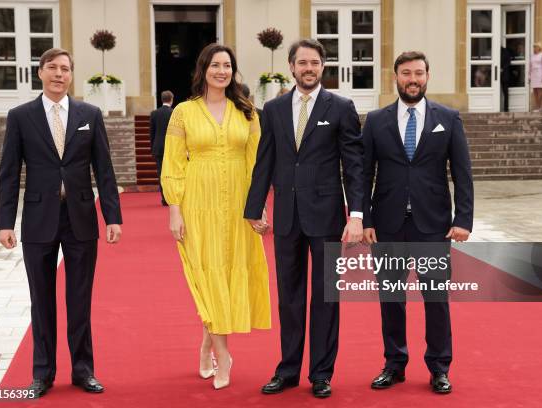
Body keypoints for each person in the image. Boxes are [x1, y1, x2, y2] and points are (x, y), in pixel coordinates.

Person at [0, 48, 123, 398]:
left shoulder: (89, 114)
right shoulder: (20, 116)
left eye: (65, 69)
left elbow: (105, 170)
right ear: (40, 73)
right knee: (42, 300)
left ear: (71, 75)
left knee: (80, 299)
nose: (59, 74)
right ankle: (42, 373)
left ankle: (83, 371)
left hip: (81, 218)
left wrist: (112, 216)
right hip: (38, 220)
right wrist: (5, 222)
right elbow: (8, 173)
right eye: (52, 68)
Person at [245, 39, 364, 399]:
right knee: (290, 298)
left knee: (326, 297)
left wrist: (355, 214)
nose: (308, 68)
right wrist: (254, 207)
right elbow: (264, 160)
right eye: (302, 63)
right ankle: (288, 370)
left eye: (314, 62)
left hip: (327, 218)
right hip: (286, 219)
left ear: (322, 67)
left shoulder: (341, 107)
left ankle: (322, 374)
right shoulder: (275, 108)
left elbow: (354, 167)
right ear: (291, 66)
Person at [361, 51, 473, 394]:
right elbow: (363, 174)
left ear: (428, 76)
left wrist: (463, 218)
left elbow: (462, 172)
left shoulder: (448, 118)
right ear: (394, 77)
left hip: (434, 224)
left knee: (436, 298)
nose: (413, 79)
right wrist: (364, 218)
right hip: (387, 223)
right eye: (406, 73)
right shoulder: (376, 120)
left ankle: (439, 367)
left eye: (419, 73)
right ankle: (394, 365)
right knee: (391, 297)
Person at [161, 43, 271, 390]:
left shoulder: (249, 112)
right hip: (198, 205)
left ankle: (208, 343)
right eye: (215, 65)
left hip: (239, 205)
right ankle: (223, 355)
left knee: (229, 275)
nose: (221, 71)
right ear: (203, 69)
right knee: (207, 278)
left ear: (233, 72)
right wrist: (174, 211)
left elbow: (258, 165)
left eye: (227, 66)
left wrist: (259, 206)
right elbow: (173, 165)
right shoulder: (183, 113)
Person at [149, 90, 174, 206]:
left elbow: (151, 133)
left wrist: (152, 148)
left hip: (158, 147)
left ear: (162, 99)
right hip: (171, 147)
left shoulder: (154, 113)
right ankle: (172, 197)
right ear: (171, 99)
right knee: (172, 173)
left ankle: (164, 198)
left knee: (161, 173)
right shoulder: (174, 113)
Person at [529, 42, 542, 112]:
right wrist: (529, 76)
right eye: (533, 47)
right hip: (533, 74)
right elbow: (530, 66)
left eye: (535, 47)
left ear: (539, 48)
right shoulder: (532, 56)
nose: (534, 48)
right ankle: (537, 107)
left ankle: (540, 107)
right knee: (535, 90)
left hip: (540, 74)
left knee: (540, 91)